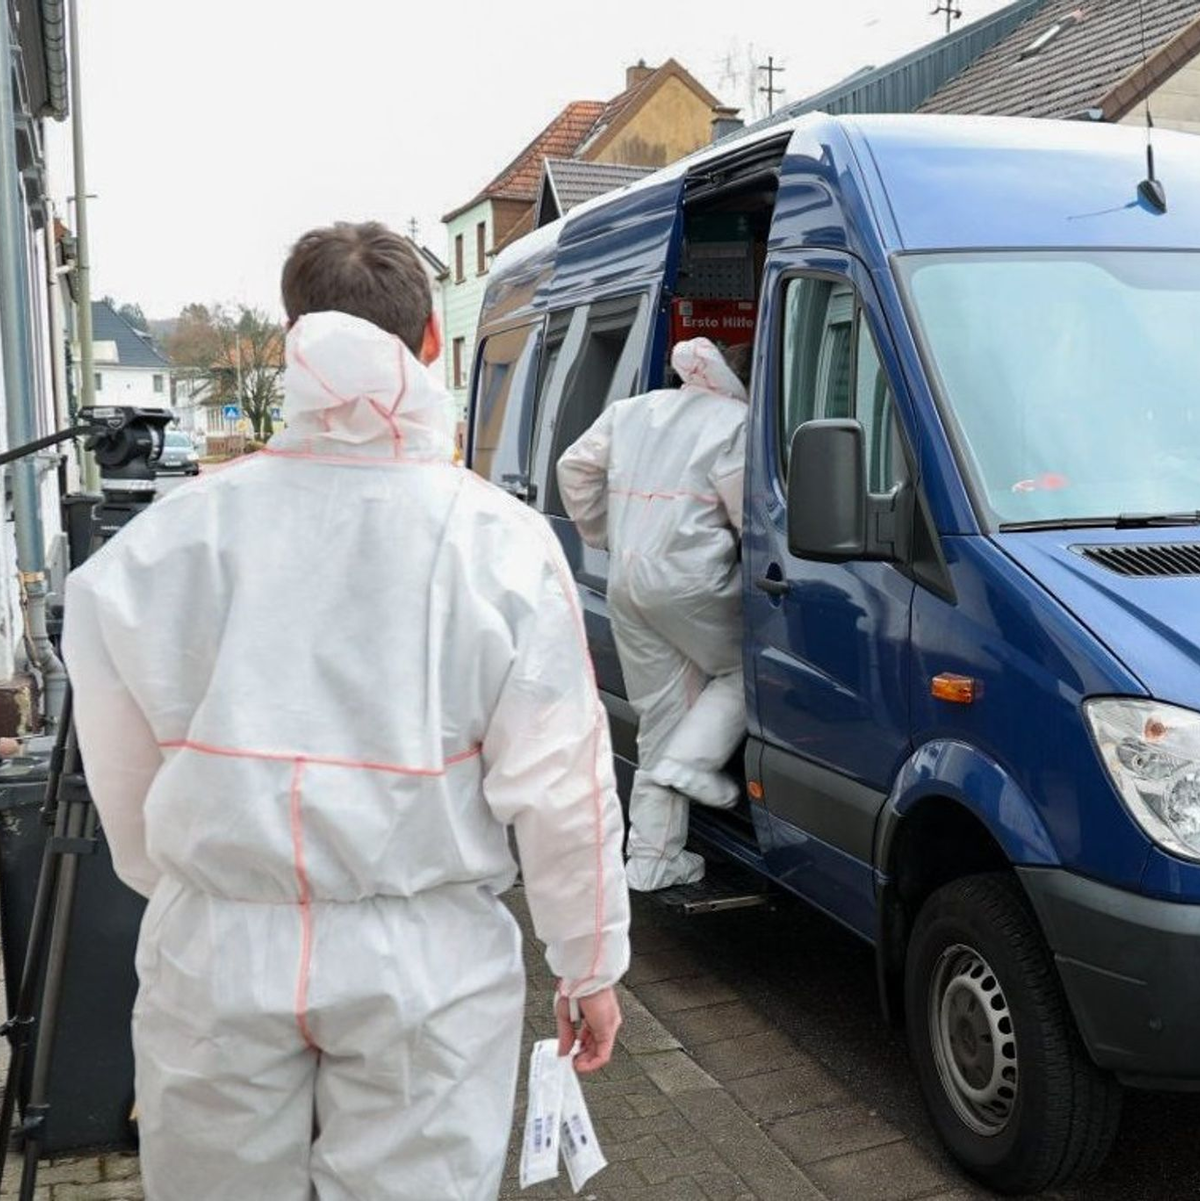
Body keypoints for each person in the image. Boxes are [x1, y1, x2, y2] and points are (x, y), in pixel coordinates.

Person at [62, 221, 630, 1201]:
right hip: (426, 959)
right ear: (427, 348)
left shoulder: (171, 542)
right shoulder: (495, 542)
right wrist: (587, 962)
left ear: (294, 341)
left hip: (219, 946)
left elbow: (118, 757)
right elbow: (561, 780)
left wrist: (192, 877)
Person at [557, 337, 750, 892]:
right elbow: (750, 519)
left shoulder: (635, 409)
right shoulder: (734, 421)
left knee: (662, 715)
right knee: (747, 669)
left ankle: (652, 859)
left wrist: (603, 533)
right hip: (692, 580)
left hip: (627, 580)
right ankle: (692, 762)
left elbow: (573, 467)